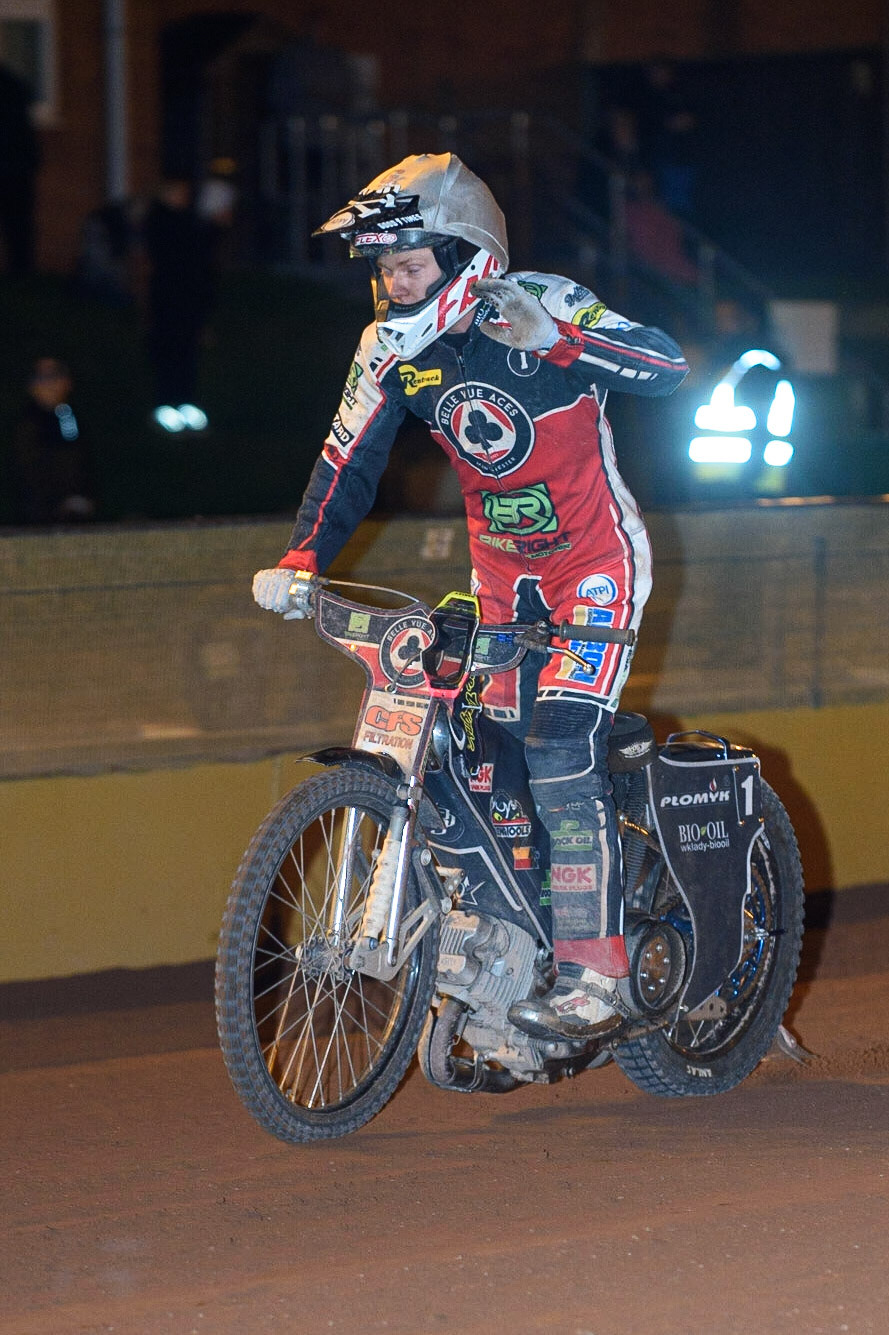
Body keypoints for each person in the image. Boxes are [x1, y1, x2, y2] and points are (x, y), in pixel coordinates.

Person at [252, 153, 688, 1040]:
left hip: (595, 567)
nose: (392, 284)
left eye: (408, 266)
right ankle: (515, 944)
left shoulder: (544, 303)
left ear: (464, 256)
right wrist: (301, 556)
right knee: (485, 756)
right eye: (383, 269)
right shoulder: (388, 349)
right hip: (502, 581)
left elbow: (665, 365)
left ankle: (596, 971)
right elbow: (348, 461)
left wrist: (556, 341)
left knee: (562, 745)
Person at [10, 357, 96, 523]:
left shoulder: (67, 415)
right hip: (37, 513)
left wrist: (79, 496)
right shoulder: (25, 423)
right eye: (41, 379)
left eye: (55, 377)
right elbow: (27, 470)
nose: (49, 385)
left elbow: (79, 460)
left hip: (74, 509)